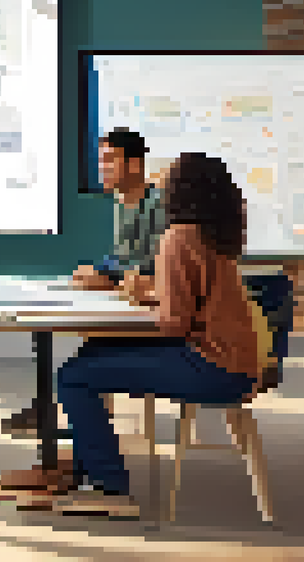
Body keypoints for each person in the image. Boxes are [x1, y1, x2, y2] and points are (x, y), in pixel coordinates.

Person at [52, 152, 274, 518]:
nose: (159, 185)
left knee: (74, 376)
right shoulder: (213, 234)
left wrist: (149, 299)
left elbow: (174, 324)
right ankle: (85, 468)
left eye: (166, 179)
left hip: (213, 366)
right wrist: (153, 293)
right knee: (92, 352)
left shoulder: (178, 236)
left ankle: (111, 489)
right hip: (237, 362)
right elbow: (196, 302)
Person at [0, 128, 170, 489]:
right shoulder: (123, 203)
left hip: (159, 323)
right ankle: (74, 462)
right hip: (138, 307)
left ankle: (94, 473)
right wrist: (102, 271)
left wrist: (105, 275)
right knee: (86, 354)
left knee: (78, 371)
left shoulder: (158, 205)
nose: (102, 168)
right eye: (101, 160)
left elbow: (151, 266)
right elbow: (124, 259)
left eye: (110, 160)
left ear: (135, 164)